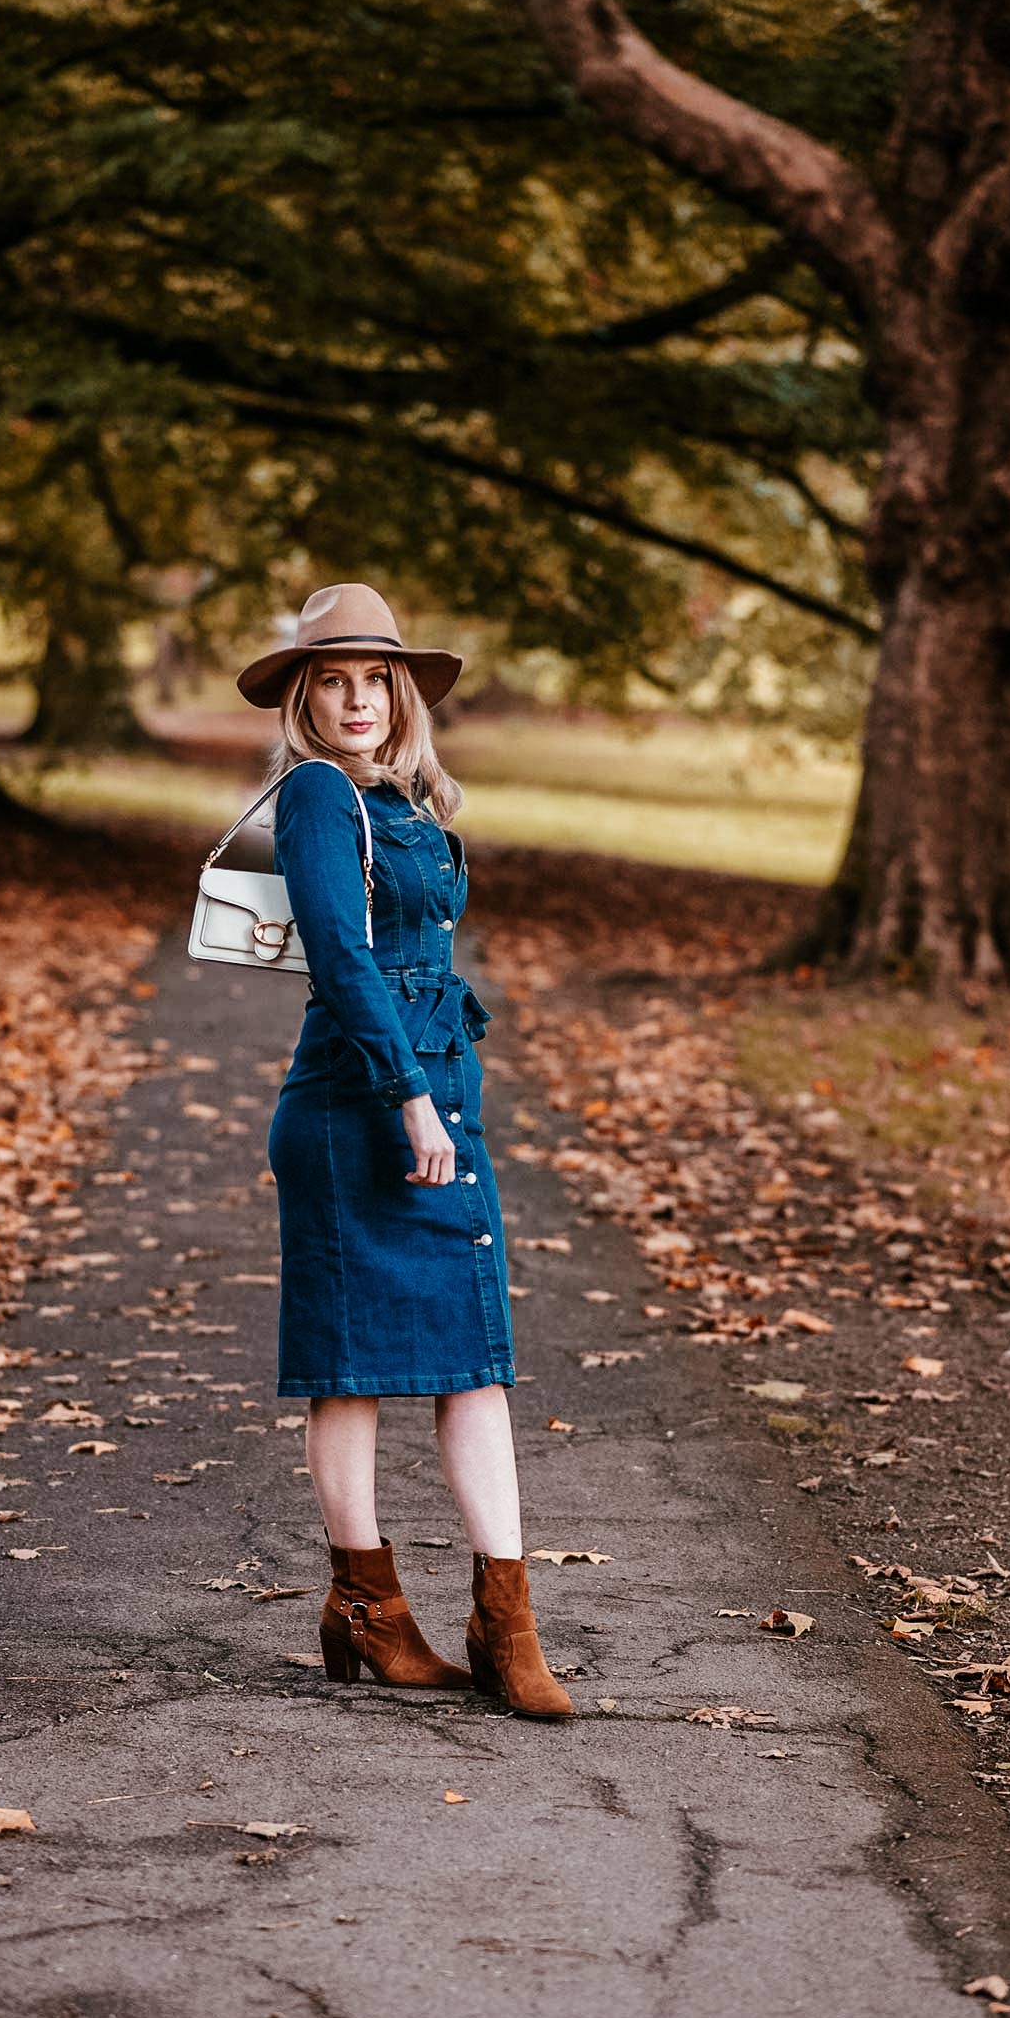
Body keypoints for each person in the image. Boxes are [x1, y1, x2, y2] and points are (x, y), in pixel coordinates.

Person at [236, 582, 574, 1722]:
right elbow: (340, 958)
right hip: (358, 1103)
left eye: (371, 679)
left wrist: (441, 1097)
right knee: (352, 1365)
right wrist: (412, 1102)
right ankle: (369, 1609)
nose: (352, 699)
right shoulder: (321, 797)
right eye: (328, 680)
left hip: (435, 1091)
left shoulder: (410, 799)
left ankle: (506, 1621)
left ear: (400, 690)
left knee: (474, 1353)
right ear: (304, 698)